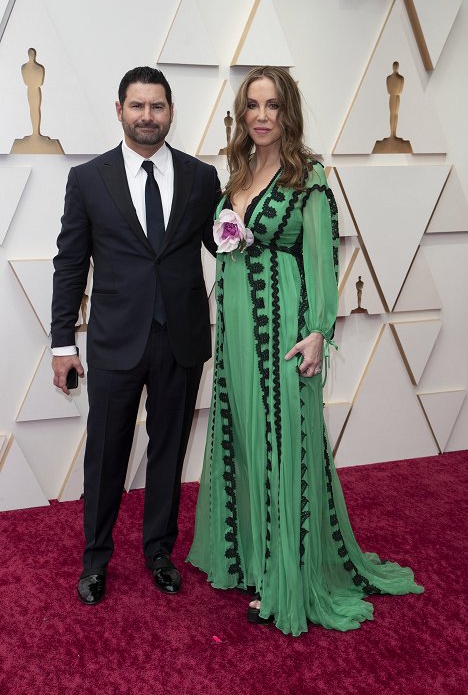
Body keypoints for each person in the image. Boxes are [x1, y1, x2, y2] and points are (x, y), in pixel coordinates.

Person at [187, 66, 423, 636]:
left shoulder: (309, 176)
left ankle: (287, 575)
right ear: (242, 115)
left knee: (285, 444)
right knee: (247, 436)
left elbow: (323, 258)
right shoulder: (239, 171)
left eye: (272, 105)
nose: (261, 115)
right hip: (238, 327)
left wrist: (319, 330)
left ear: (287, 111)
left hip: (285, 329)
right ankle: (250, 559)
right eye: (252, 106)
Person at [51, 66, 220, 605]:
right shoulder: (88, 179)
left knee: (169, 451)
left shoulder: (201, 178)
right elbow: (70, 264)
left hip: (182, 340)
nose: (148, 116)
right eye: (138, 106)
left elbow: (226, 250)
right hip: (114, 342)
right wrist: (62, 345)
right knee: (105, 452)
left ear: (171, 112)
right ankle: (96, 559)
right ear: (119, 110)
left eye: (158, 106)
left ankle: (159, 552)